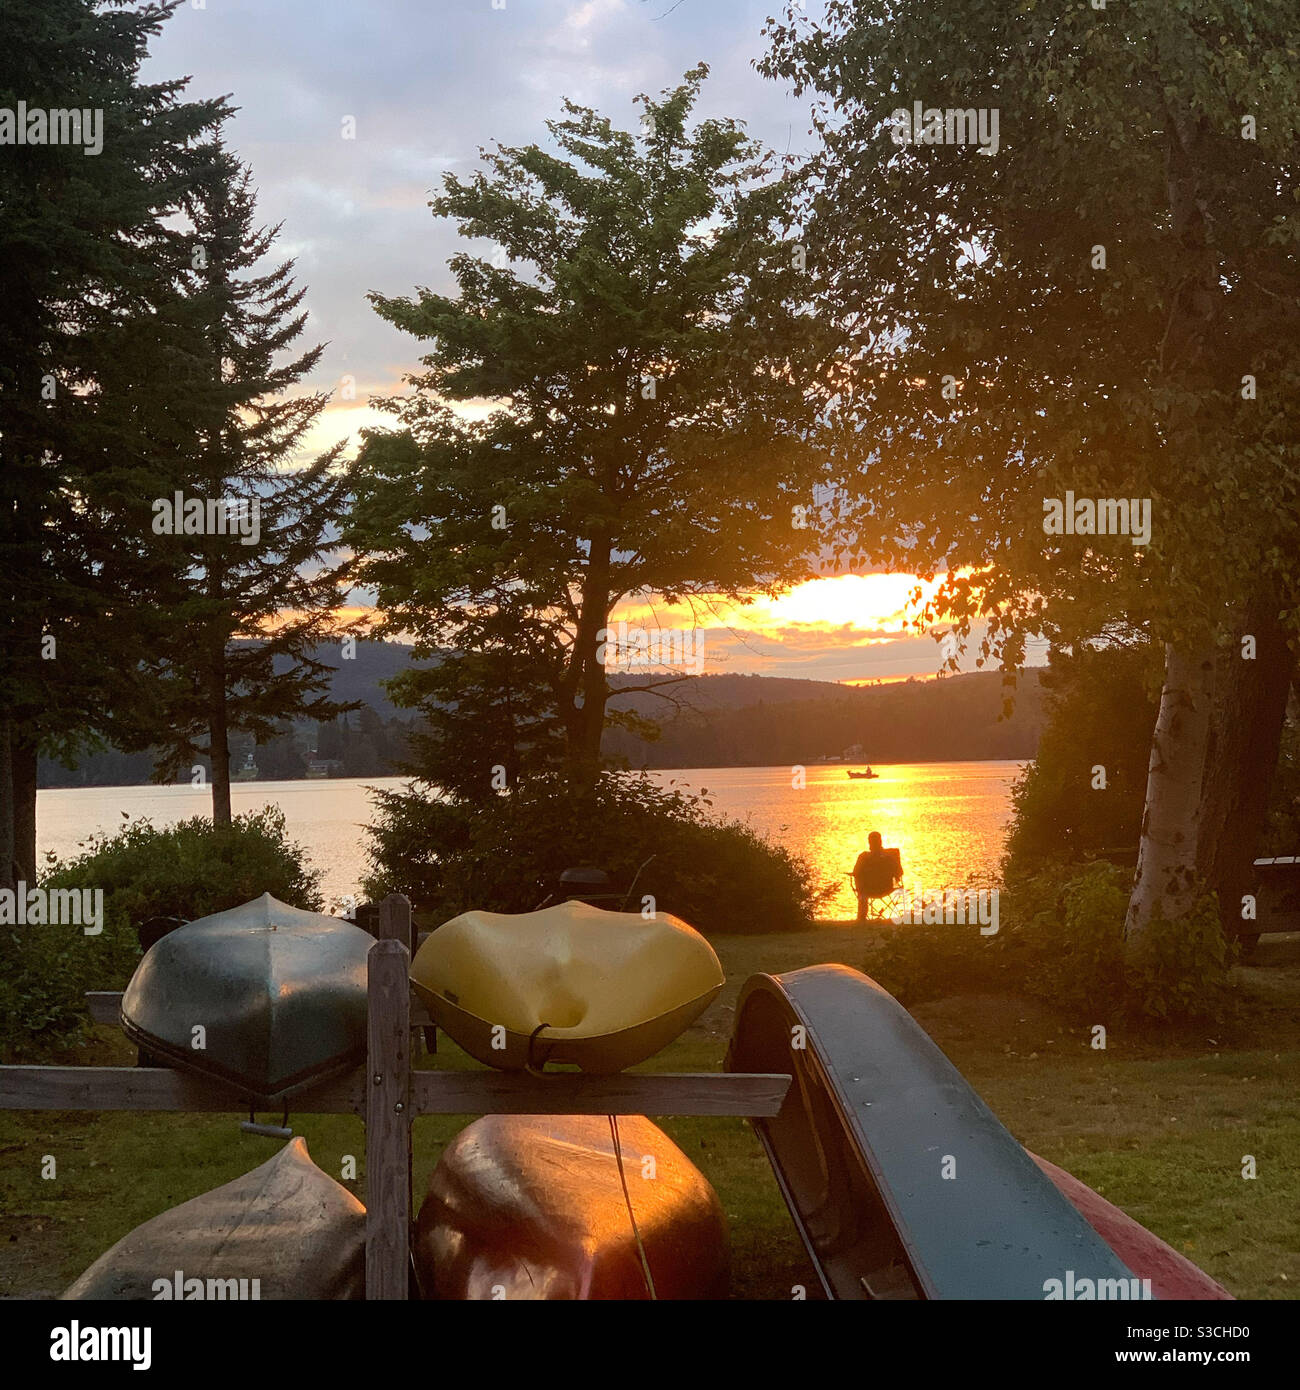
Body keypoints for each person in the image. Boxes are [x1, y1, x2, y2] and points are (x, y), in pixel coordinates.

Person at [852, 831, 903, 924]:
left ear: (869, 843)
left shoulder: (863, 857)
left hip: (868, 890)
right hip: (889, 888)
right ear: (880, 841)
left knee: (858, 879)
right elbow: (900, 872)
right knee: (860, 880)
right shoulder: (892, 855)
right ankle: (901, 914)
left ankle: (862, 916)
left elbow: (856, 873)